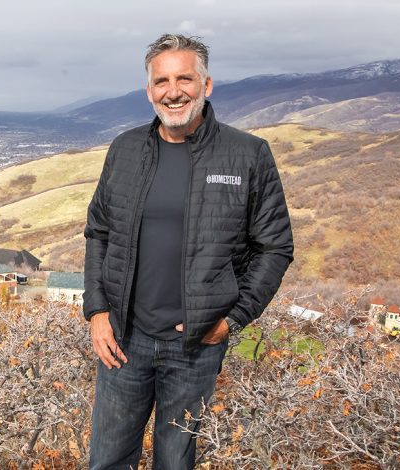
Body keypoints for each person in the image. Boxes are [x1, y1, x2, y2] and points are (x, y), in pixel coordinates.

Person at [82, 34, 293, 469]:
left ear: (206, 85)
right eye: (161, 81)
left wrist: (232, 320)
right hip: (124, 339)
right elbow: (99, 233)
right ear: (149, 90)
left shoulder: (247, 154)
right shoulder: (125, 150)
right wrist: (97, 311)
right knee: (107, 461)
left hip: (195, 345)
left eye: (184, 79)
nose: (173, 91)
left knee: (175, 463)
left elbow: (274, 247)